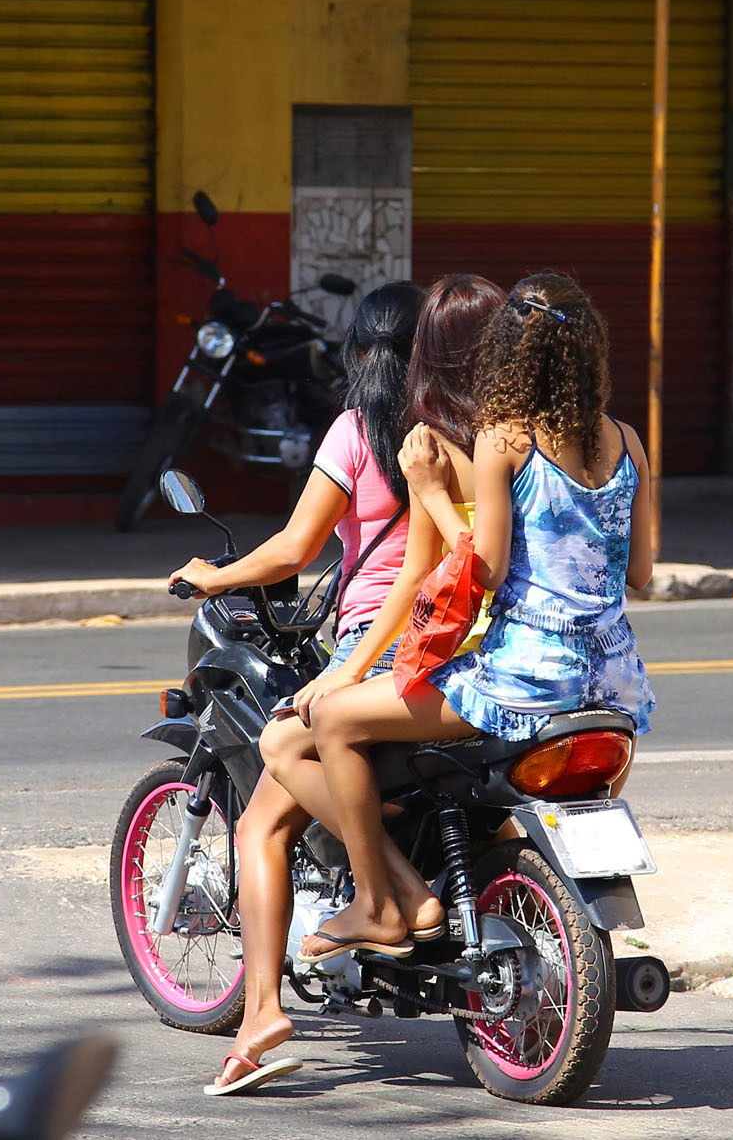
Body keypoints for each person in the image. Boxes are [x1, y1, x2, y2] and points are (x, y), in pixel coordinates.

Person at [183, 274, 502, 1095]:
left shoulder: (361, 433)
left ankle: (271, 1002)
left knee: (261, 814)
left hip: (385, 639)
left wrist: (212, 578)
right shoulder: (467, 434)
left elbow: (295, 549)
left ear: (363, 356)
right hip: (468, 642)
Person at [297, 271, 656, 961]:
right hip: (616, 688)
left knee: (335, 718)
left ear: (510, 354)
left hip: (526, 680)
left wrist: (429, 490)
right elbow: (640, 573)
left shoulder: (504, 443)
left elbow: (483, 569)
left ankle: (376, 904)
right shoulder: (628, 442)